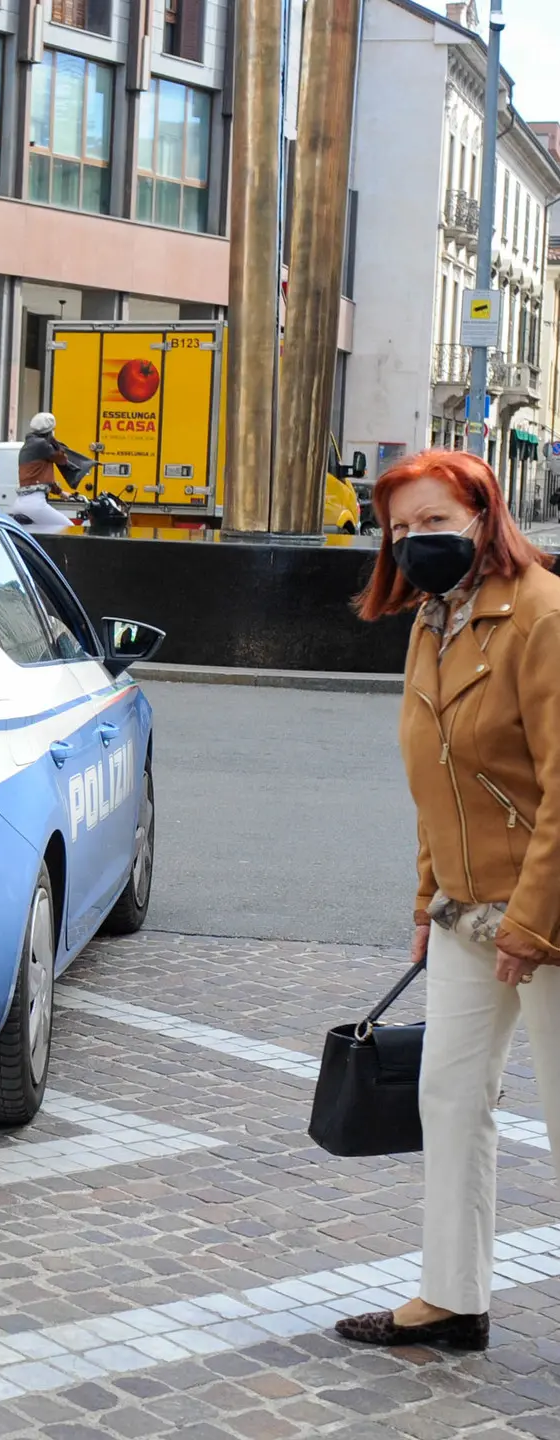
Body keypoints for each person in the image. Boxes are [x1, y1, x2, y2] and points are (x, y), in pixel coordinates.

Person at [338, 448, 560, 1352]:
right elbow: (440, 775)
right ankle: (452, 1296)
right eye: (399, 527)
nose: (413, 540)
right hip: (467, 910)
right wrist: (429, 901)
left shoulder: (542, 616)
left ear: (482, 515)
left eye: (433, 522)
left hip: (544, 914)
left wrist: (532, 924)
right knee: (450, 1097)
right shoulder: (434, 618)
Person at [18, 413, 71, 494]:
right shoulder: (42, 445)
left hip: (27, 495)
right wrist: (54, 441)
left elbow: (45, 478)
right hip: (36, 497)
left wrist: (60, 493)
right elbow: (62, 459)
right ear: (49, 431)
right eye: (53, 429)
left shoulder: (29, 444)